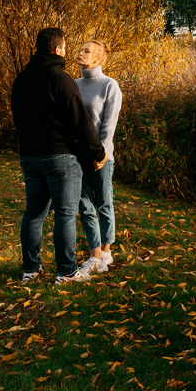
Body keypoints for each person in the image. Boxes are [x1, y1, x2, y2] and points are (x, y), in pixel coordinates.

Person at [10, 26, 107, 285]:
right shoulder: (60, 78)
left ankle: (30, 270)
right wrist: (98, 151)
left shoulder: (21, 79)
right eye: (64, 47)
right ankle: (66, 272)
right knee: (65, 213)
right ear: (57, 49)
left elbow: (17, 118)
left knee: (34, 213)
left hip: (29, 156)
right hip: (60, 157)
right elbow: (80, 121)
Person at [72, 38, 123, 280]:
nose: (80, 53)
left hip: (102, 156)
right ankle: (95, 256)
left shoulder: (109, 85)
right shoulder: (73, 85)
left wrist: (101, 154)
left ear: (98, 58)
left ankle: (106, 251)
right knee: (84, 204)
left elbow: (109, 126)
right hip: (76, 157)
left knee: (103, 203)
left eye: (86, 51)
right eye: (81, 49)